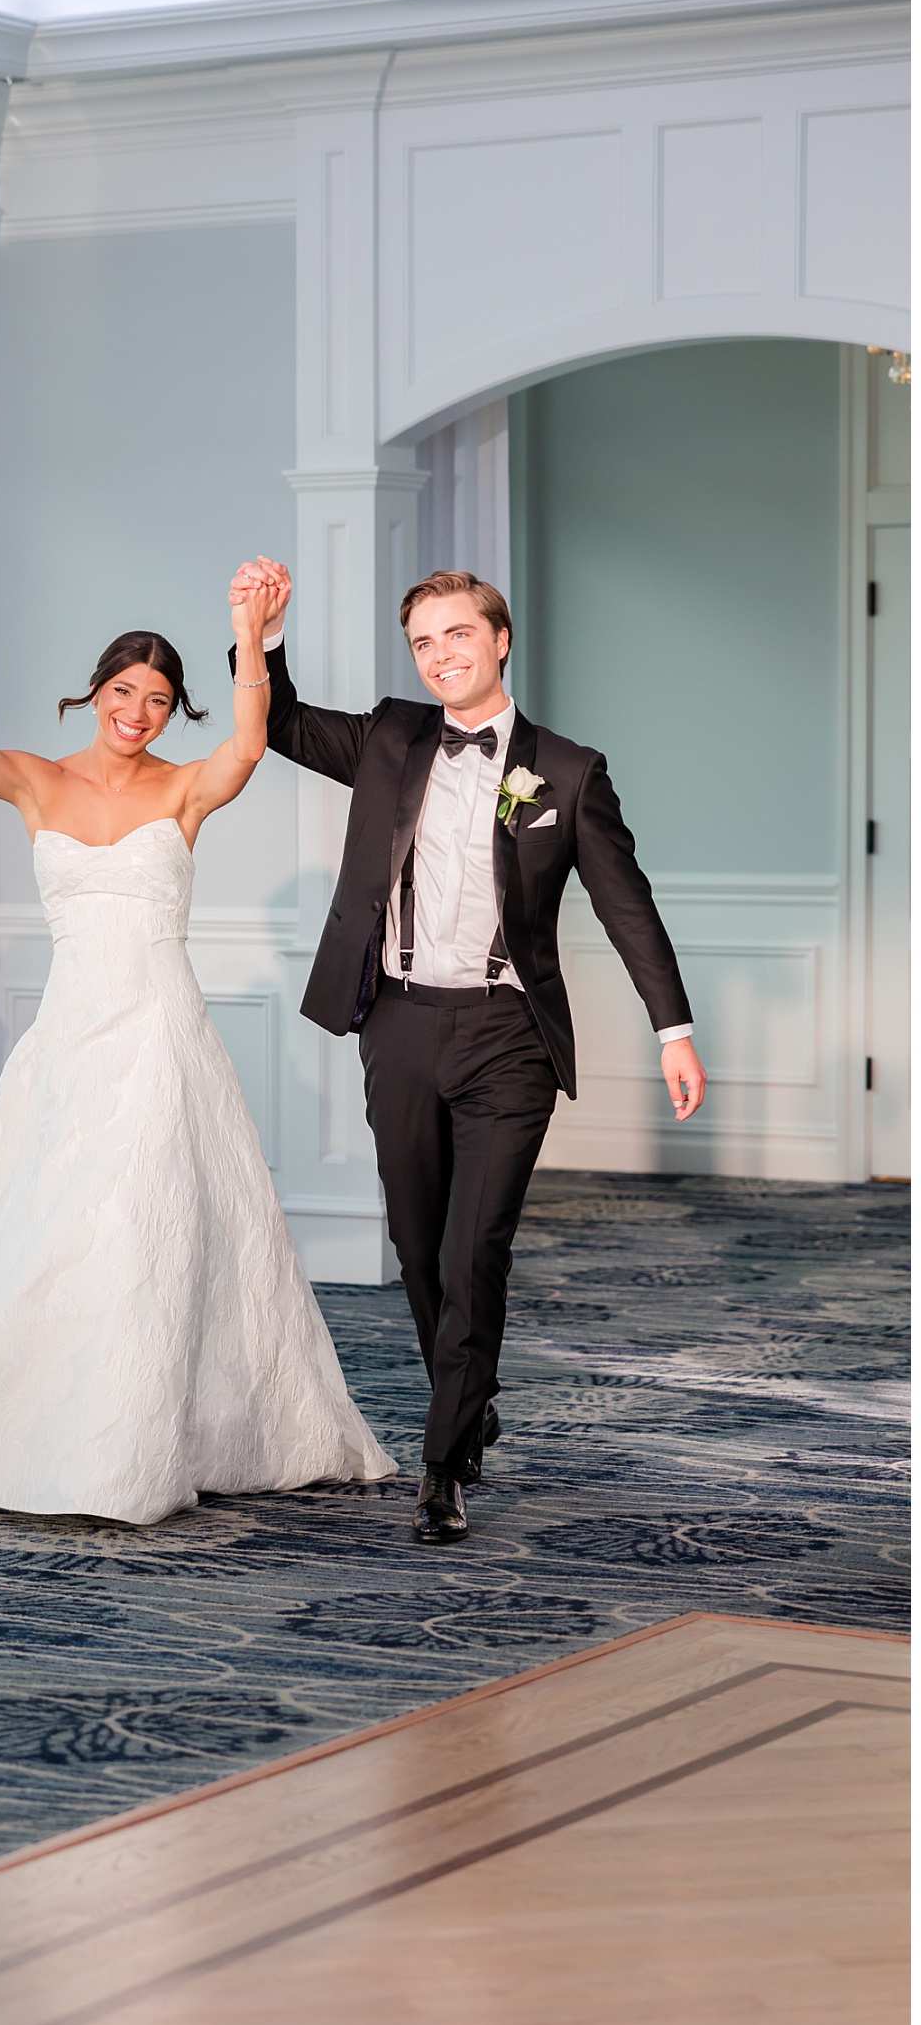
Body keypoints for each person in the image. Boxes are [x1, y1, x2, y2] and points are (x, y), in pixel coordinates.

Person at [0, 573, 394, 1527]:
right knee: (49, 1226)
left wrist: (250, 638)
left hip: (157, 1031)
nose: (138, 714)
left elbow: (249, 743)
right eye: (123, 694)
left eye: (157, 701)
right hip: (69, 1033)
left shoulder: (186, 790)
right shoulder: (37, 778)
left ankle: (144, 1442)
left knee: (147, 1223)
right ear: (94, 692)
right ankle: (25, 1433)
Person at [228, 560, 707, 1546]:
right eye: (423, 641)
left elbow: (626, 906)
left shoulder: (564, 770)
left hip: (507, 1037)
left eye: (457, 633)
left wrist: (672, 1027)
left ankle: (443, 1462)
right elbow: (276, 724)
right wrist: (258, 635)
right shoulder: (390, 736)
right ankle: (466, 1389)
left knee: (470, 1245)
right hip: (397, 1021)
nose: (440, 654)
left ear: (498, 639)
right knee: (414, 1245)